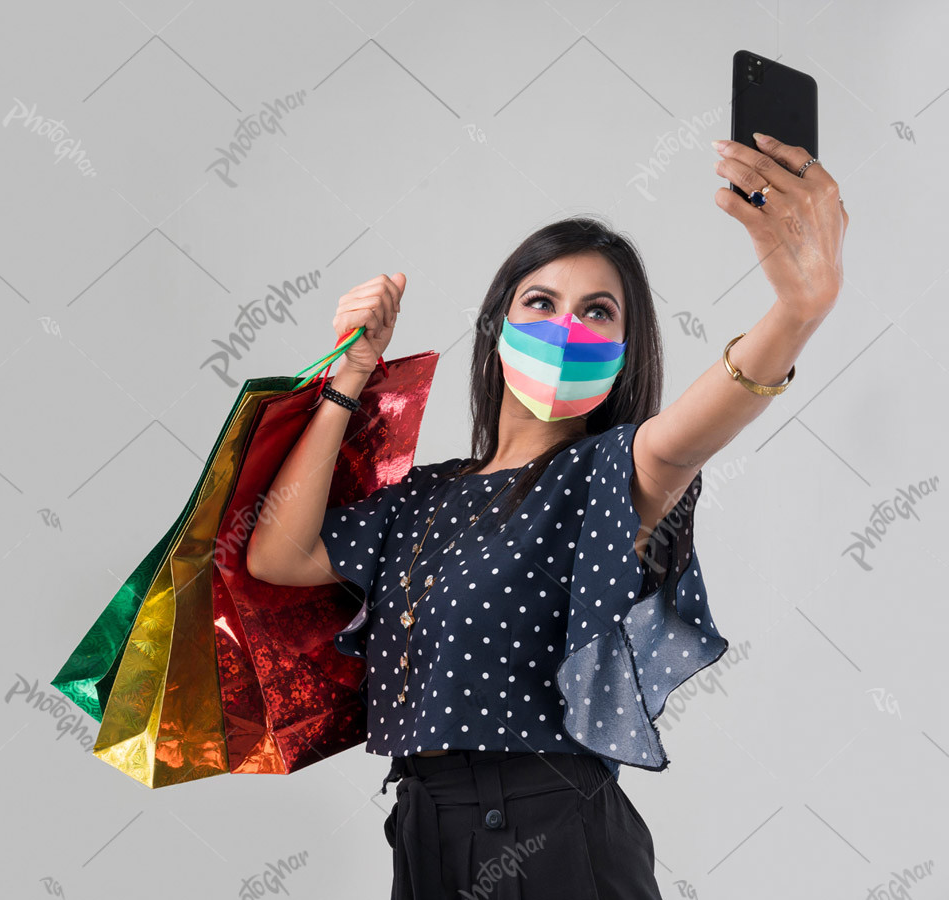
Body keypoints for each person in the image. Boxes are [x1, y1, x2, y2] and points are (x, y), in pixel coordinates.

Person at [246, 135, 848, 899]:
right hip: (423, 831)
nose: (568, 327)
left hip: (551, 834)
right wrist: (348, 377)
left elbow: (691, 431)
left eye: (598, 312)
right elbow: (277, 554)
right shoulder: (428, 497)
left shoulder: (612, 473)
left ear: (625, 352)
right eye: (542, 302)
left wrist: (798, 310)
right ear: (496, 326)